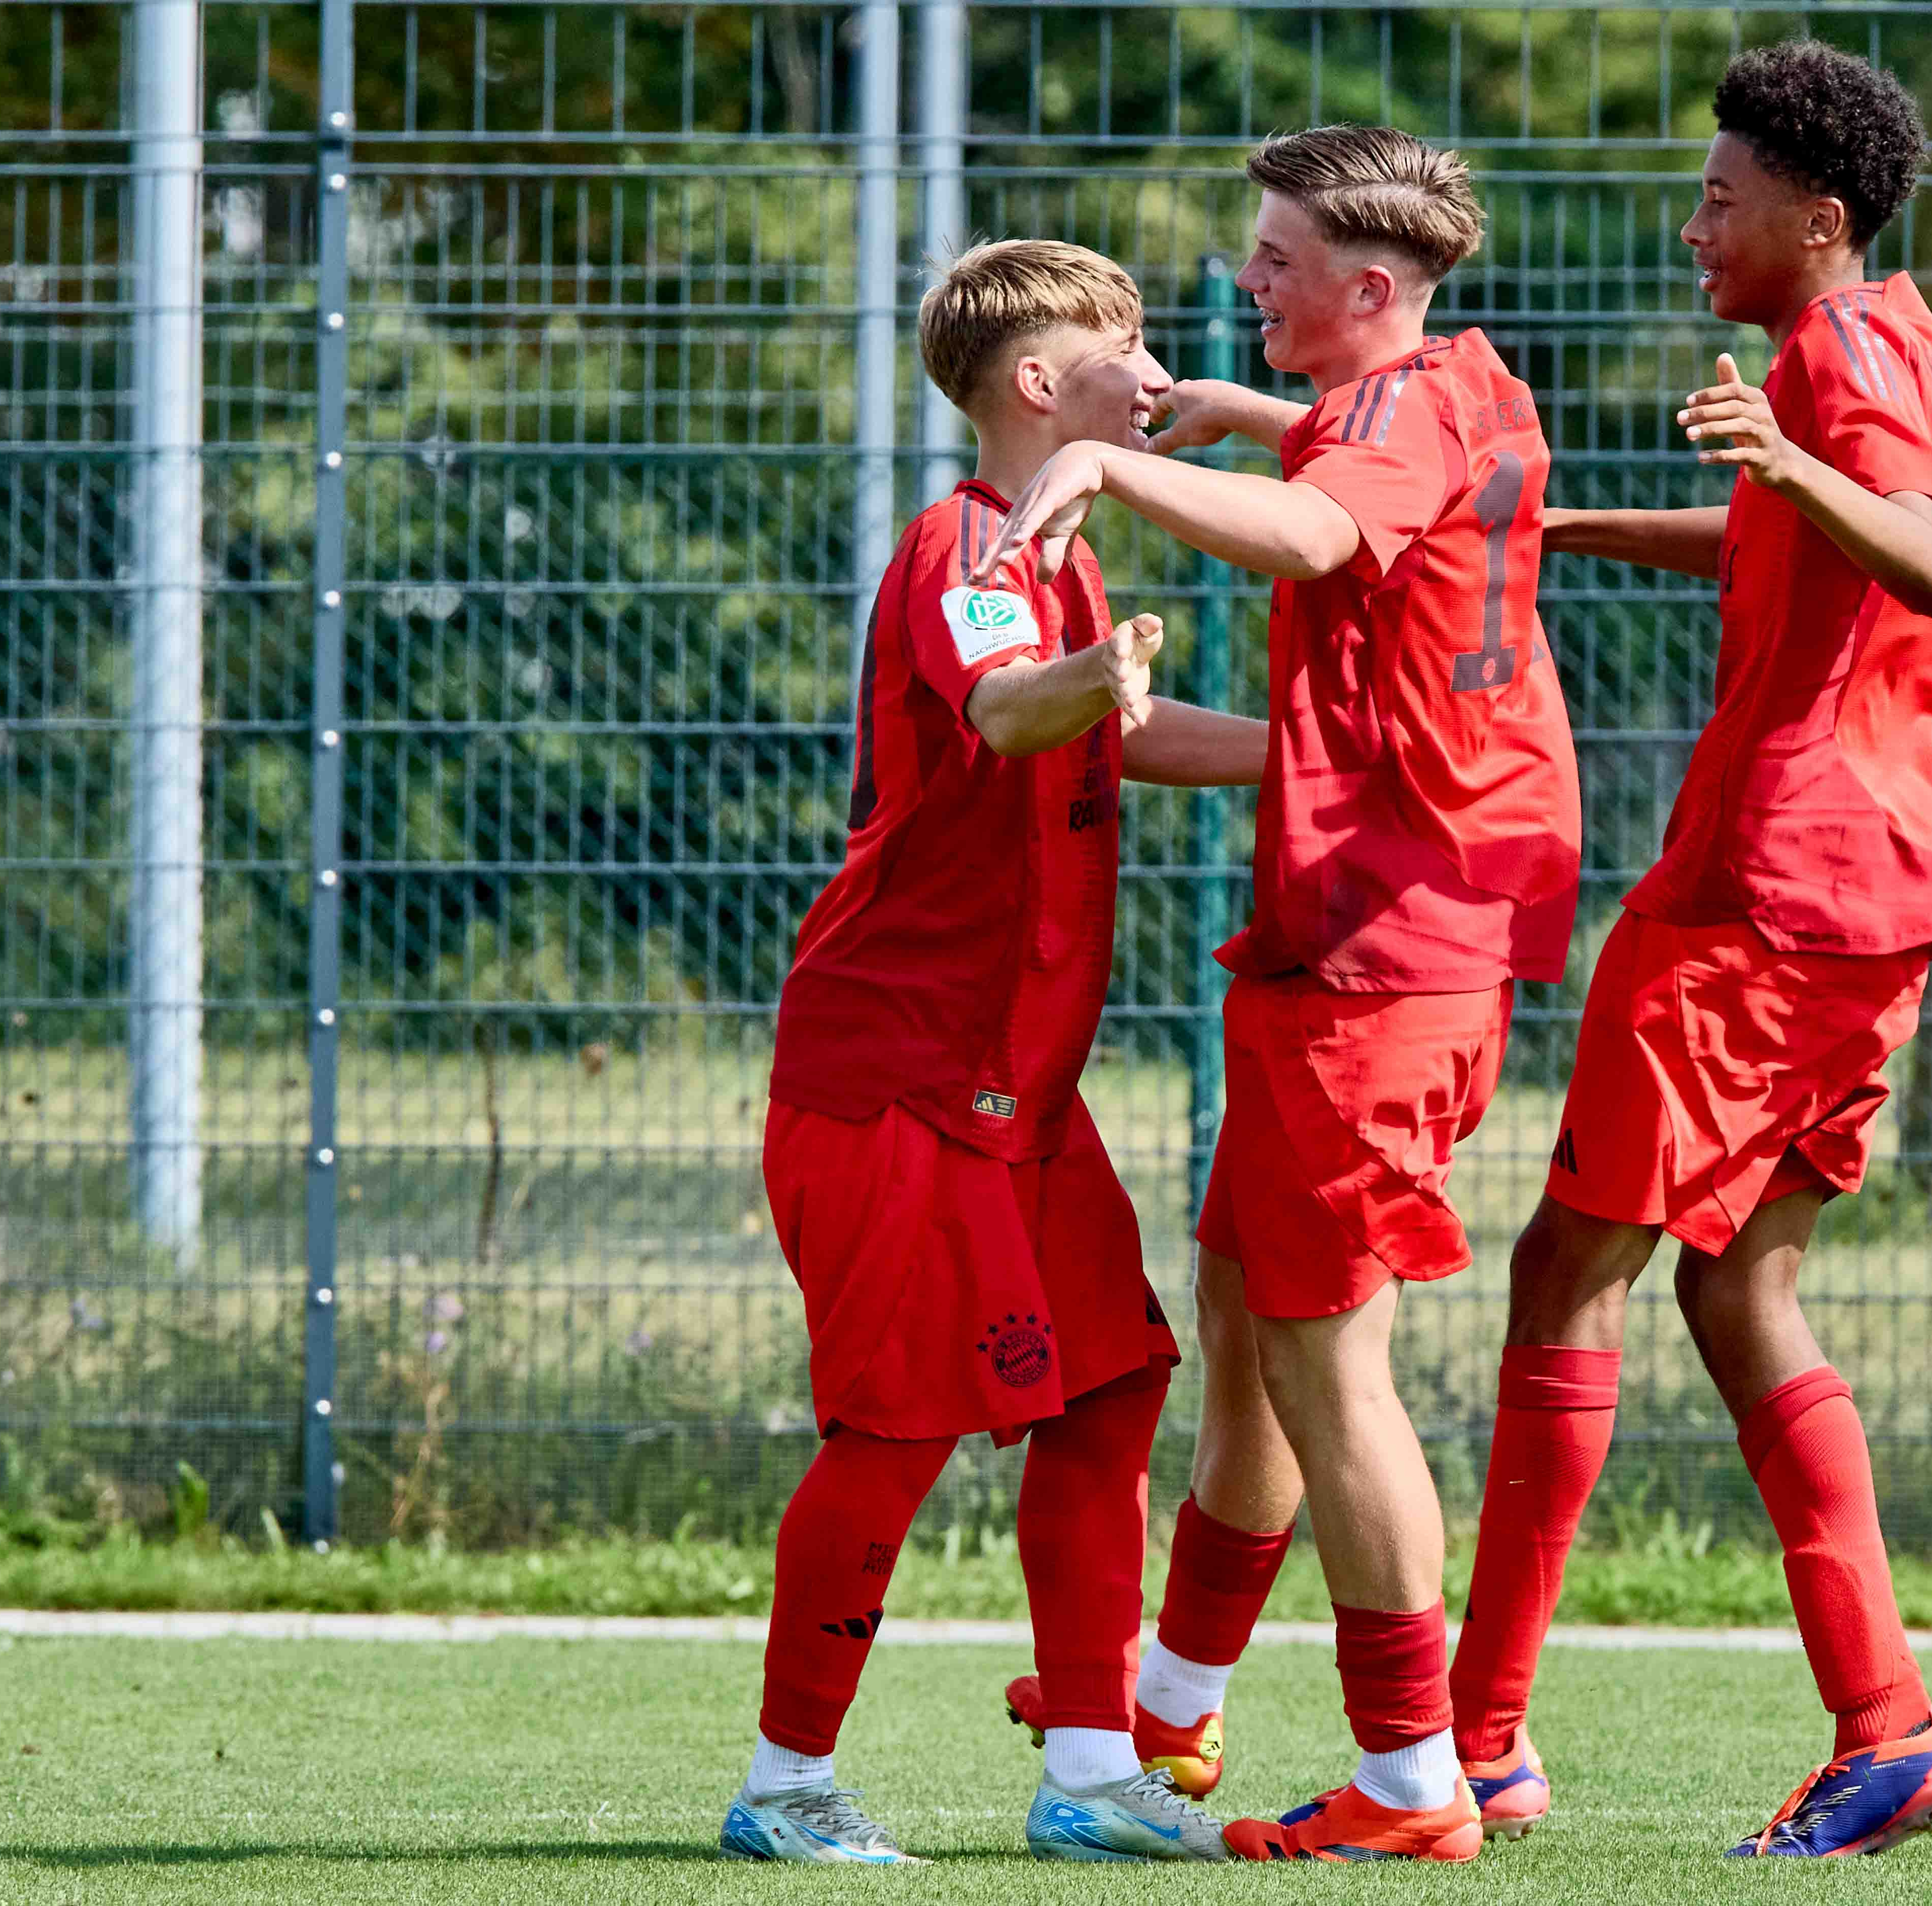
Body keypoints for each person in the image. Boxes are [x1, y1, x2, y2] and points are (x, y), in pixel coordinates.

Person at [973, 123, 1582, 1865]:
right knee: (1243, 1319)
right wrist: (1247, 422)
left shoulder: (1381, 425)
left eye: (1280, 261)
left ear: (1370, 289)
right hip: (1364, 927)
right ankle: (1173, 1693)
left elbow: (1322, 534)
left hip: (1390, 948)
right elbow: (1359, 469)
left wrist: (1116, 477)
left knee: (1329, 1362)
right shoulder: (1461, 383)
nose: (1250, 280)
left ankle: (1414, 1777)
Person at [1440, 40, 1932, 1857]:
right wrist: (1551, 533)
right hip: (1873, 908)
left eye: (1721, 203)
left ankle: (1476, 1747)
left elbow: (1919, 557)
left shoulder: (1830, 356)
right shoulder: (1882, 335)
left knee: (1558, 1283)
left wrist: (1776, 445)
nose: (1696, 230)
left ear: (1815, 222)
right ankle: (1889, 1727)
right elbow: (1798, 545)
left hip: (1767, 901)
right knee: (1738, 1289)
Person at [721, 238, 1265, 1867]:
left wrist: (1330, 760)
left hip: (1015, 1095)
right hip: (892, 1079)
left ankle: (1092, 1777)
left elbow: (1125, 725)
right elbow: (1016, 707)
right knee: (893, 1432)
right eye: (1130, 344)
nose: (1158, 369)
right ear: (1042, 384)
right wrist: (1092, 676)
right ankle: (784, 1789)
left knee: (1110, 1390)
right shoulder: (969, 545)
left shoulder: (1073, 553)